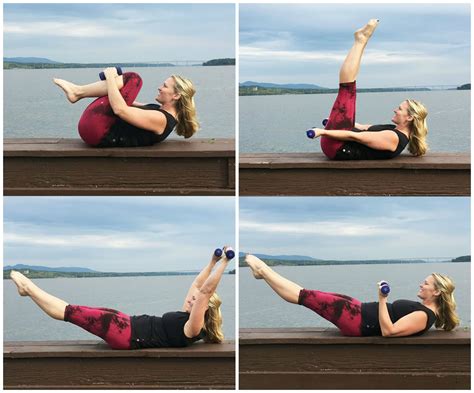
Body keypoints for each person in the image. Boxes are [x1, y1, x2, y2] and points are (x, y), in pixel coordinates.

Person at [10, 247, 233, 349]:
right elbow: (197, 285)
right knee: (77, 309)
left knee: (71, 312)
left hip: (126, 333)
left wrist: (225, 263)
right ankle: (28, 290)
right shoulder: (186, 315)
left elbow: (204, 292)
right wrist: (212, 261)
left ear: (204, 310)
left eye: (197, 302)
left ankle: (28, 288)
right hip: (126, 322)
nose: (192, 299)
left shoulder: (193, 327)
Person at [245, 254, 459, 337]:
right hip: (359, 310)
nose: (421, 285)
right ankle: (263, 272)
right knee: (309, 294)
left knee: (305, 297)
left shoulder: (424, 316)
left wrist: (383, 299)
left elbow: (389, 331)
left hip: (357, 320)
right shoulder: (426, 313)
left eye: (426, 283)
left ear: (437, 292)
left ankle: (263, 271)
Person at [308, 19, 428, 160]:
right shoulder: (392, 130)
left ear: (409, 117)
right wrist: (330, 122)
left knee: (347, 90)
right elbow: (362, 127)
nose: (396, 110)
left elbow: (355, 136)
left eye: (400, 109)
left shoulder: (393, 137)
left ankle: (361, 40)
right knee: (349, 89)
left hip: (337, 147)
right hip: (338, 143)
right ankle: (361, 40)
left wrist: (321, 132)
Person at [53, 68, 199, 147]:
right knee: (126, 83)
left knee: (134, 79)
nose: (159, 88)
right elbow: (126, 102)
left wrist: (110, 77)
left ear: (176, 96)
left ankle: (77, 92)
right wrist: (116, 84)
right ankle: (77, 92)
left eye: (165, 86)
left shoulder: (162, 119)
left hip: (100, 133)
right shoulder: (158, 110)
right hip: (95, 131)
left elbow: (120, 109)